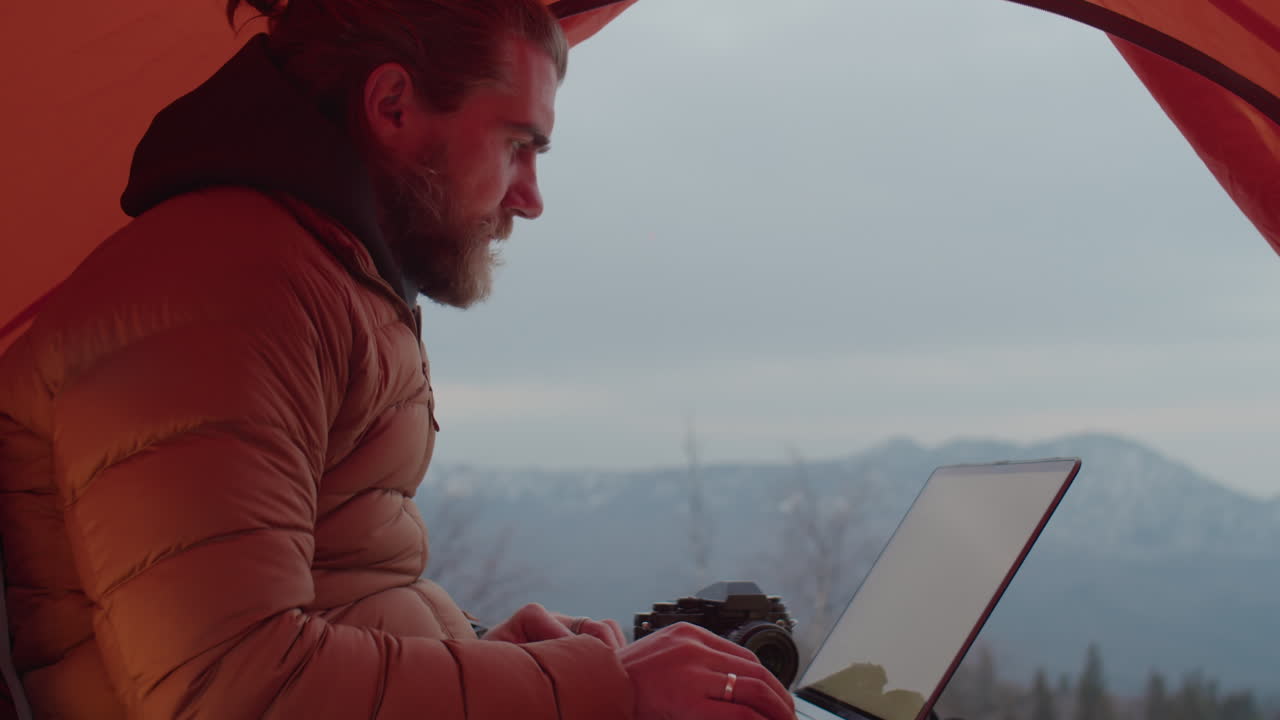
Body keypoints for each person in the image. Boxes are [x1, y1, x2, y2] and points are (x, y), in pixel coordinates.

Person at [0, 1, 796, 719]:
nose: (530, 196)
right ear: (392, 105)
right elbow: (233, 687)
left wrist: (485, 659)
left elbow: (333, 598)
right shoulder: (223, 292)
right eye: (518, 143)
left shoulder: (308, 269)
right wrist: (599, 689)